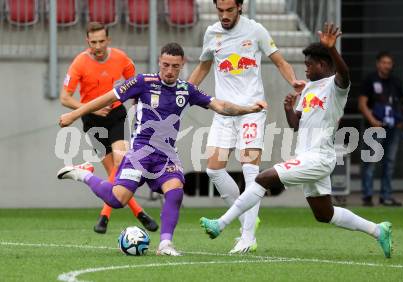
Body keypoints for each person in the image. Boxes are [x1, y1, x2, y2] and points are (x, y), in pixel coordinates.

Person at [199, 23, 393, 258]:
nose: (306, 70)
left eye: (309, 65)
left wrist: (331, 49)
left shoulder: (335, 87)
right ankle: (378, 230)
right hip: (308, 156)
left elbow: (344, 74)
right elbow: (296, 125)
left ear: (323, 64)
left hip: (319, 157)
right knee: (324, 214)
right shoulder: (309, 88)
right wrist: (289, 109)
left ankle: (220, 224)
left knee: (263, 178)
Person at [57, 42, 267, 256]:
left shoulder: (187, 90)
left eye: (175, 66)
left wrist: (247, 109)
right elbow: (108, 98)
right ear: (159, 62)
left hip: (165, 155)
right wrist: (74, 115)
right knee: (116, 200)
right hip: (140, 152)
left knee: (175, 190)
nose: (169, 70)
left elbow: (220, 106)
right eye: (166, 65)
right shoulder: (142, 82)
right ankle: (83, 174)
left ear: (182, 65)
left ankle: (165, 244)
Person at [188, 0, 303, 253]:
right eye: (220, 11)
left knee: (251, 169)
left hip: (253, 111)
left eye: (230, 10)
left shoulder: (256, 30)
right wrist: (184, 91)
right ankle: (246, 220)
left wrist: (293, 79)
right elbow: (204, 66)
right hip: (224, 111)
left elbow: (280, 60)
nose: (225, 15)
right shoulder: (212, 33)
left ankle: (248, 237)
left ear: (240, 7)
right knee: (213, 170)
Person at [60, 22, 158, 234]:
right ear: (87, 41)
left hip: (115, 116)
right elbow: (65, 98)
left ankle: (105, 216)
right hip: (92, 120)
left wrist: (137, 104)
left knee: (121, 163)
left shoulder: (121, 58)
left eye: (101, 41)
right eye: (93, 42)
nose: (98, 46)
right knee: (114, 172)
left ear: (108, 40)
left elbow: (134, 83)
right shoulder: (79, 63)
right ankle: (139, 213)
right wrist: (91, 109)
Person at [358, 51, 403, 207]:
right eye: (384, 62)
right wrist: (373, 121)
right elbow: (362, 103)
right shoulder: (370, 80)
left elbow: (400, 103)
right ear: (378, 63)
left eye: (389, 63)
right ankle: (367, 195)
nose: (387, 65)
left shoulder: (396, 82)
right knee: (370, 161)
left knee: (389, 162)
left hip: (392, 128)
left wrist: (400, 121)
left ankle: (386, 196)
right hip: (374, 127)